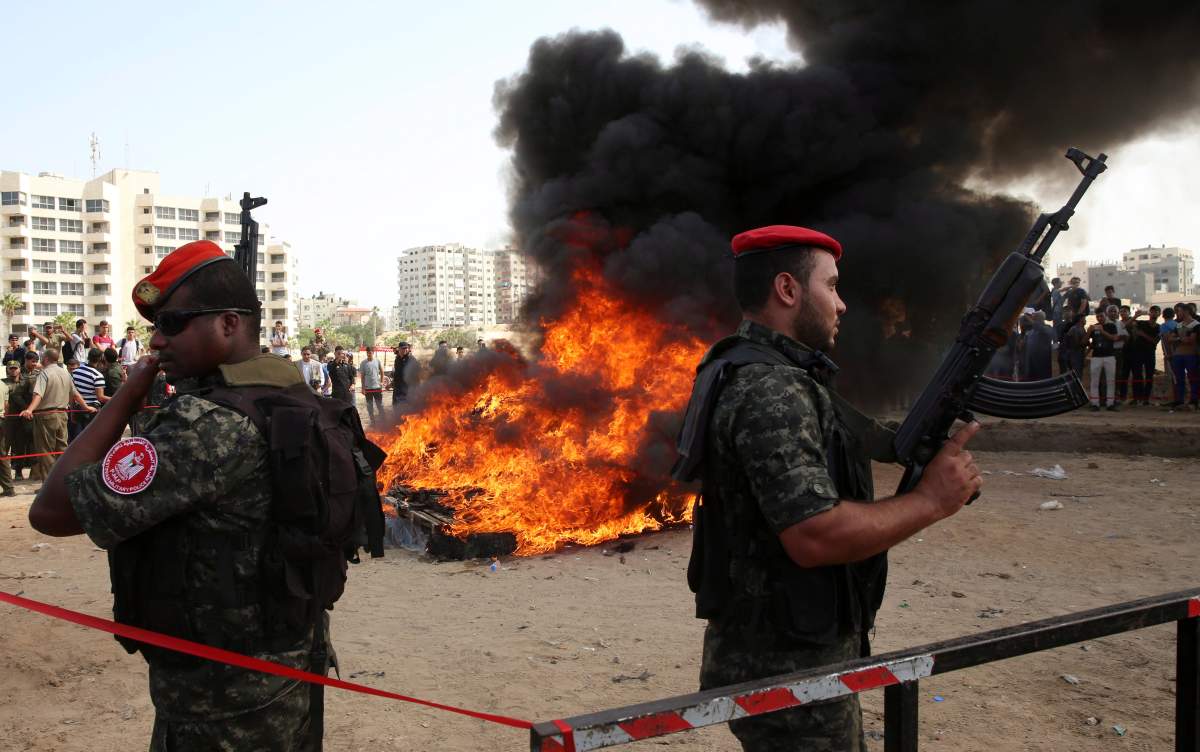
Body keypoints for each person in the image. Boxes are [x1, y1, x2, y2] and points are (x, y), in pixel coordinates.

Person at [27, 240, 349, 750]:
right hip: (290, 662)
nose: (156, 342)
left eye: (172, 324)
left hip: (221, 697)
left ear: (228, 324)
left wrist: (128, 396)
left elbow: (51, 511)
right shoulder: (291, 396)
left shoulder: (204, 428)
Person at [678, 225, 981, 751]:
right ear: (788, 290)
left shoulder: (764, 371)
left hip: (792, 654)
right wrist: (930, 501)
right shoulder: (773, 386)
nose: (841, 305)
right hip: (789, 669)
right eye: (832, 286)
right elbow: (814, 535)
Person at [19, 348, 94, 480]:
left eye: (42, 357)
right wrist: (86, 406)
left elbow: (38, 394)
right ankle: (65, 481)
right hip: (62, 414)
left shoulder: (44, 373)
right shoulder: (66, 373)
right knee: (62, 450)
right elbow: (75, 394)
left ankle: (49, 484)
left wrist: (29, 410)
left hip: (45, 415)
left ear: (46, 359)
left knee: (45, 451)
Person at [7, 356, 37, 479]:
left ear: (20, 369)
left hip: (26, 418)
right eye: (11, 369)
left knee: (30, 444)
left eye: (15, 368)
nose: (13, 370)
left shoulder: (26, 381)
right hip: (10, 419)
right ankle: (18, 472)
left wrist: (28, 409)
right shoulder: (3, 383)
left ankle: (33, 472)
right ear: (8, 370)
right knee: (15, 446)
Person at [69, 349, 109, 442]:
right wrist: (116, 399)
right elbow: (101, 397)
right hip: (92, 410)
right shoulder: (98, 375)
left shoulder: (75, 372)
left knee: (79, 439)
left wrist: (72, 411)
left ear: (88, 357)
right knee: (92, 439)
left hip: (78, 408)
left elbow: (72, 394)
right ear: (100, 359)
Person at [1086, 308, 1120, 411]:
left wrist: (1102, 331)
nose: (1099, 318)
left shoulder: (1111, 326)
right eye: (1098, 316)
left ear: (1105, 315)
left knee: (1110, 381)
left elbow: (1114, 338)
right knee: (1094, 381)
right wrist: (1089, 331)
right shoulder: (1094, 327)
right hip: (1096, 356)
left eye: (1101, 316)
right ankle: (1095, 403)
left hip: (1109, 356)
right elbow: (1085, 342)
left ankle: (1110, 403)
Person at [1167, 302, 1199, 408]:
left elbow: (1190, 340)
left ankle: (1194, 400)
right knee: (1178, 378)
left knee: (1193, 377)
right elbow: (1170, 339)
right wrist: (1181, 339)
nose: (1177, 313)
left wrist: (1177, 339)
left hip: (1191, 354)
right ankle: (1179, 400)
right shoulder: (1179, 325)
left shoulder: (1196, 325)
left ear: (1186, 311)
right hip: (1178, 355)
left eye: (1179, 311)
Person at [1128, 307, 1161, 406]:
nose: (1154, 314)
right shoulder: (1141, 323)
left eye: (1156, 312)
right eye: (1152, 312)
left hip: (1150, 353)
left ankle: (1146, 399)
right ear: (1149, 313)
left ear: (1159, 314)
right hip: (1137, 353)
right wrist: (1135, 316)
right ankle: (1136, 398)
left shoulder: (1159, 327)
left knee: (1149, 376)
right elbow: (1127, 325)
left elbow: (1155, 341)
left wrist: (1142, 334)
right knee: (1137, 375)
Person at [1021, 311, 1053, 380]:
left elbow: (1039, 327)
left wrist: (1027, 316)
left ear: (1040, 319)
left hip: (1042, 364)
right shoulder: (1030, 332)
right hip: (1030, 364)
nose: (1032, 319)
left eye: (1035, 318)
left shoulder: (1047, 328)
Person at [358, 346, 384, 423]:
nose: (369, 354)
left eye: (370, 353)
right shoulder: (363, 363)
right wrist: (363, 388)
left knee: (379, 405)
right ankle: (372, 420)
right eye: (368, 353)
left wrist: (381, 382)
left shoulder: (377, 361)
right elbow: (362, 376)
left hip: (377, 387)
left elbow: (382, 372)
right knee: (370, 406)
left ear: (373, 353)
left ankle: (383, 419)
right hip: (368, 388)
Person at [0, 368, 14, 497]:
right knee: (2, 455)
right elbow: (6, 406)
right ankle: (8, 487)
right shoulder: (3, 385)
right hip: (2, 420)